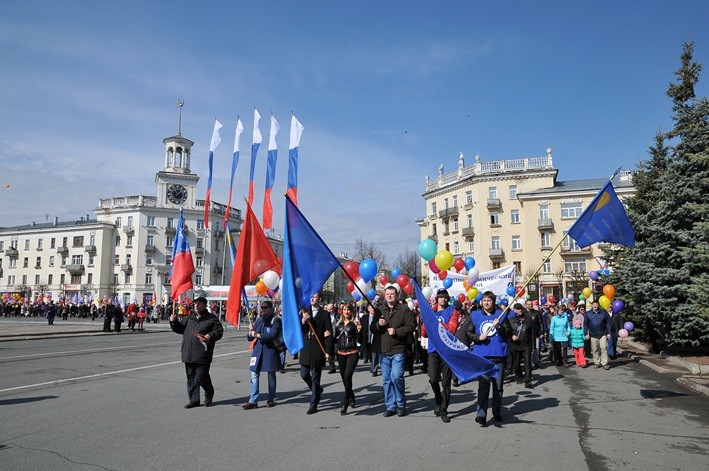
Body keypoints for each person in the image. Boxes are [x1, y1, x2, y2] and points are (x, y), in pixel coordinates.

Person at [169, 296, 224, 408]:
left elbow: (219, 331)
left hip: (203, 353)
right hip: (188, 352)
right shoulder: (189, 317)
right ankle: (194, 400)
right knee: (191, 378)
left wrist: (210, 335)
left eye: (199, 304)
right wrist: (173, 322)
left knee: (200, 377)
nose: (196, 306)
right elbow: (179, 329)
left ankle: (209, 392)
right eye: (195, 304)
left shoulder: (211, 318)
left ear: (204, 305)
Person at [371, 283, 415, 418]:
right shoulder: (379, 309)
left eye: (392, 294)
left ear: (397, 296)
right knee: (386, 379)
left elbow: (411, 325)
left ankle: (401, 404)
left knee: (396, 376)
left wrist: (396, 331)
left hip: (398, 348)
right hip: (383, 350)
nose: (390, 296)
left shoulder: (404, 309)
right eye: (388, 294)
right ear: (385, 295)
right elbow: (372, 328)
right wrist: (379, 325)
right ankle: (391, 406)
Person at [469, 291, 512, 426]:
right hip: (483, 357)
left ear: (493, 302)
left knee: (498, 387)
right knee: (483, 386)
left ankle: (496, 412)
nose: (486, 303)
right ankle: (481, 415)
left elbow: (508, 333)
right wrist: (478, 337)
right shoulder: (475, 315)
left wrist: (499, 327)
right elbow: (468, 333)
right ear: (481, 302)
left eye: (489, 300)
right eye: (484, 300)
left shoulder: (501, 314)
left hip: (499, 356)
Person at [420, 288, 459, 423]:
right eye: (441, 297)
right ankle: (438, 399)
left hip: (447, 351)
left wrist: (436, 324)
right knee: (433, 379)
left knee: (446, 382)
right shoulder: (431, 311)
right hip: (433, 349)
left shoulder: (452, 311)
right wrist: (426, 325)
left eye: (445, 297)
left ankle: (444, 410)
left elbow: (451, 328)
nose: (443, 299)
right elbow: (424, 332)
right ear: (437, 299)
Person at [299, 291, 333, 415]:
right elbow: (299, 330)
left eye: (315, 297)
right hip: (306, 348)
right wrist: (303, 321)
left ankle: (313, 404)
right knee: (303, 374)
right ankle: (317, 390)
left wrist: (329, 351)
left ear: (320, 299)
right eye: (311, 297)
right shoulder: (304, 311)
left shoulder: (325, 314)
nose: (313, 299)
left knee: (316, 377)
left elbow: (329, 333)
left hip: (318, 348)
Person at [243, 300, 281, 409]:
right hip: (257, 351)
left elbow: (273, 335)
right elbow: (250, 337)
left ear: (271, 308)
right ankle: (253, 400)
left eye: (265, 307)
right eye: (262, 307)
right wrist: (250, 332)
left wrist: (258, 335)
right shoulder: (259, 320)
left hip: (270, 351)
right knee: (254, 375)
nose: (263, 309)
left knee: (271, 375)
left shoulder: (276, 320)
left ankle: (271, 399)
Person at [334, 302, 362, 415]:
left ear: (352, 311)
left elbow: (360, 340)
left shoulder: (355, 323)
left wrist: (359, 331)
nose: (346, 312)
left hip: (352, 353)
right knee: (344, 378)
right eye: (345, 309)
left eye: (348, 310)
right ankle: (351, 395)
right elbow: (335, 340)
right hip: (341, 354)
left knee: (347, 375)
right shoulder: (338, 324)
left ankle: (345, 402)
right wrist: (334, 351)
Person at [509, 303, 535, 388]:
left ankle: (528, 381)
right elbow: (508, 332)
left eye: (520, 308)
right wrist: (512, 336)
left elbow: (532, 333)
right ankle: (519, 376)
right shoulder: (511, 320)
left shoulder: (528, 319)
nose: (520, 310)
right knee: (516, 364)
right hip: (515, 345)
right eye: (517, 309)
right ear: (514, 310)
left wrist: (533, 345)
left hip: (526, 344)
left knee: (527, 363)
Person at [584, 300, 611, 370]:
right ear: (592, 305)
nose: (595, 306)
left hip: (602, 333)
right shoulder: (588, 314)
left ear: (598, 305)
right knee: (594, 349)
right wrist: (585, 333)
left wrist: (609, 332)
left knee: (603, 348)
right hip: (593, 334)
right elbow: (585, 324)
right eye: (593, 304)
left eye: (596, 304)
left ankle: (604, 363)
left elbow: (608, 322)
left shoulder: (604, 313)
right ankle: (597, 362)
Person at [324, 303, 338, 374]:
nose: (329, 311)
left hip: (336, 336)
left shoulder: (337, 316)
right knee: (329, 352)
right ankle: (332, 367)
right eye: (328, 309)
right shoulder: (324, 316)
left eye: (331, 309)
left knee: (337, 351)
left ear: (334, 309)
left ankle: (342, 364)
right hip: (328, 337)